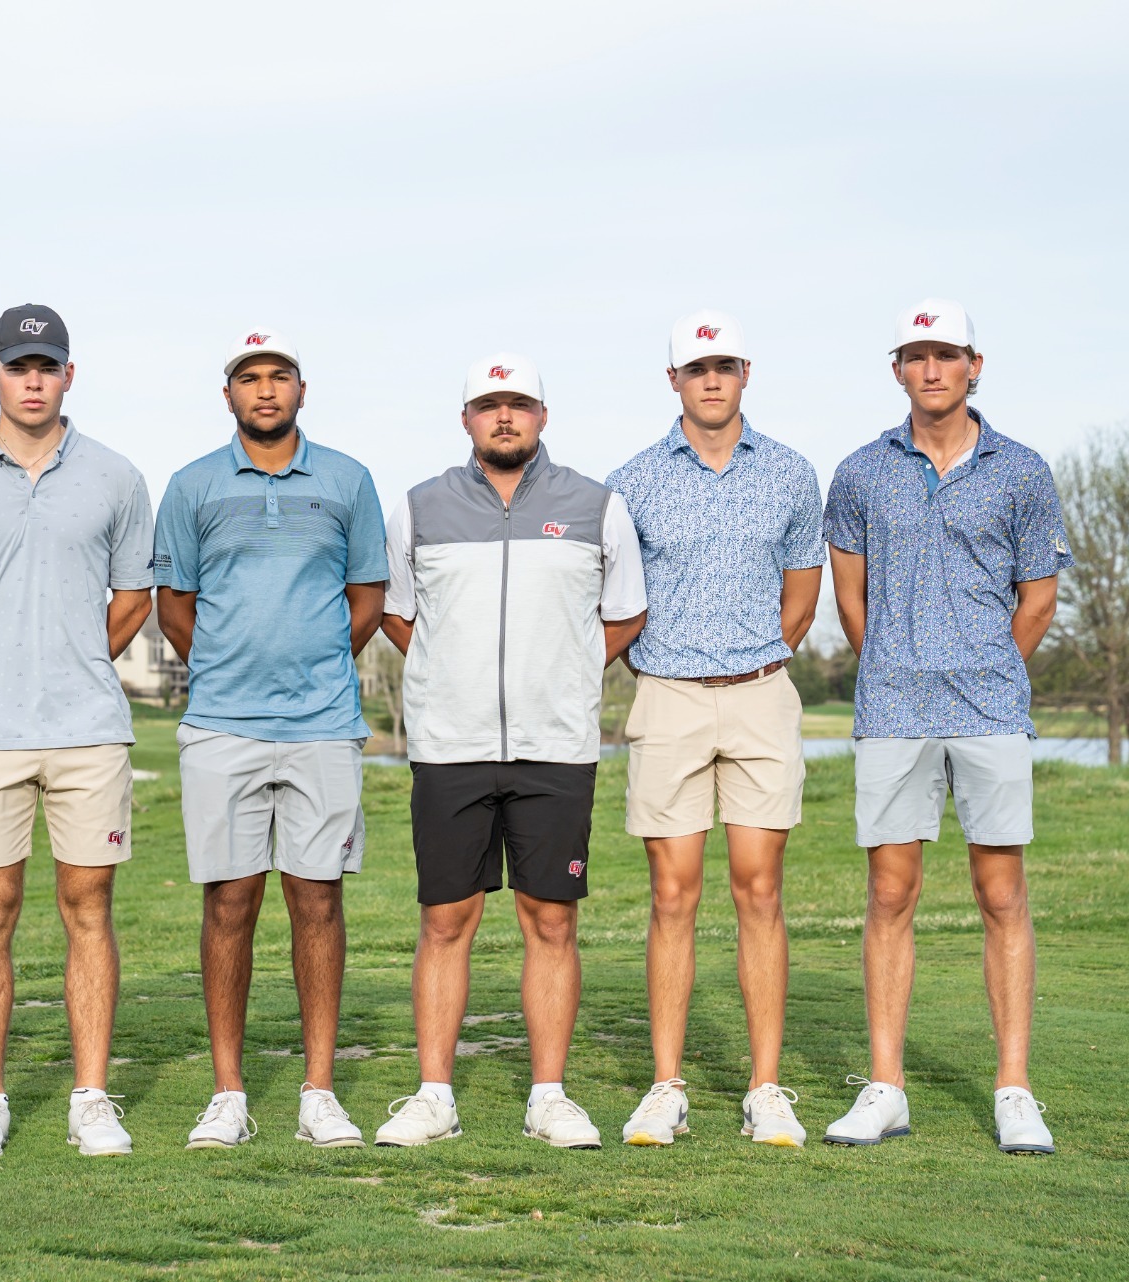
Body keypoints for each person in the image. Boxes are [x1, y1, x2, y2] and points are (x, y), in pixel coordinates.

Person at [372, 354, 647, 1150]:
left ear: (542, 415)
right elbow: (398, 613)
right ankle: (434, 1096)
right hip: (449, 746)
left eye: (519, 403)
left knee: (551, 920)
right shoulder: (419, 507)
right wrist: (447, 675)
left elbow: (625, 613)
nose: (504, 416)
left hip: (554, 746)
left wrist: (568, 672)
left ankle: (548, 1097)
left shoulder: (596, 506)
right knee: (445, 919)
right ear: (466, 418)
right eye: (489, 404)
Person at [0, 305, 155, 1160]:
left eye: (48, 365)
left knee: (89, 907)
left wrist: (73, 657)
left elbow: (133, 599)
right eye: (19, 366)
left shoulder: (118, 476)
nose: (34, 380)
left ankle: (91, 1096)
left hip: (89, 729)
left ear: (69, 375)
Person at [821, 298, 1072, 1154]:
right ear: (897, 369)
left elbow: (1038, 599)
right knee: (891, 893)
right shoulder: (860, 472)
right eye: (916, 355)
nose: (931, 369)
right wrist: (897, 665)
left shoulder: (1022, 471)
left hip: (990, 707)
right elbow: (851, 598)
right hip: (893, 707)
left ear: (974, 365)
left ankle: (1014, 1090)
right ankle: (885, 1088)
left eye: (946, 354)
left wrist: (986, 668)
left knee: (1001, 893)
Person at [153, 327, 388, 1150]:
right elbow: (174, 606)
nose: (264, 390)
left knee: (318, 898)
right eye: (248, 377)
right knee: (229, 901)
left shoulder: (349, 480)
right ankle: (228, 1092)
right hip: (223, 726)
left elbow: (368, 597)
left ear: (300, 389)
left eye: (278, 375)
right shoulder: (191, 485)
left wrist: (315, 663)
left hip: (323, 724)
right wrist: (228, 670)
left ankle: (319, 1091)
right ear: (228, 394)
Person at [606, 311, 824, 1150]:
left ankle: (766, 1089)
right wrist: (668, 668)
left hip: (763, 694)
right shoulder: (631, 482)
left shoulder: (791, 474)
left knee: (759, 889)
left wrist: (750, 663)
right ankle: (666, 1087)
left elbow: (800, 600)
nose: (711, 379)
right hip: (668, 697)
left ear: (744, 373)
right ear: (674, 380)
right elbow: (616, 600)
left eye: (724, 365)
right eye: (696, 368)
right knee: (673, 893)